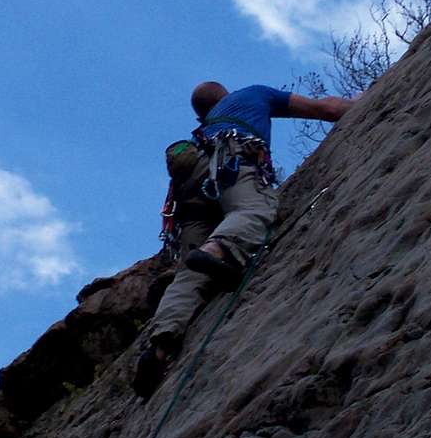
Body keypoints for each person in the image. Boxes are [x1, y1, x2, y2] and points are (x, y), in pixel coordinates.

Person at [132, 81, 353, 399]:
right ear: (224, 96)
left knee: (189, 274)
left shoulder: (204, 129)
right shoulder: (252, 95)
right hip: (230, 159)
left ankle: (161, 345)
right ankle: (218, 248)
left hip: (192, 189)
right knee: (253, 209)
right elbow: (328, 109)